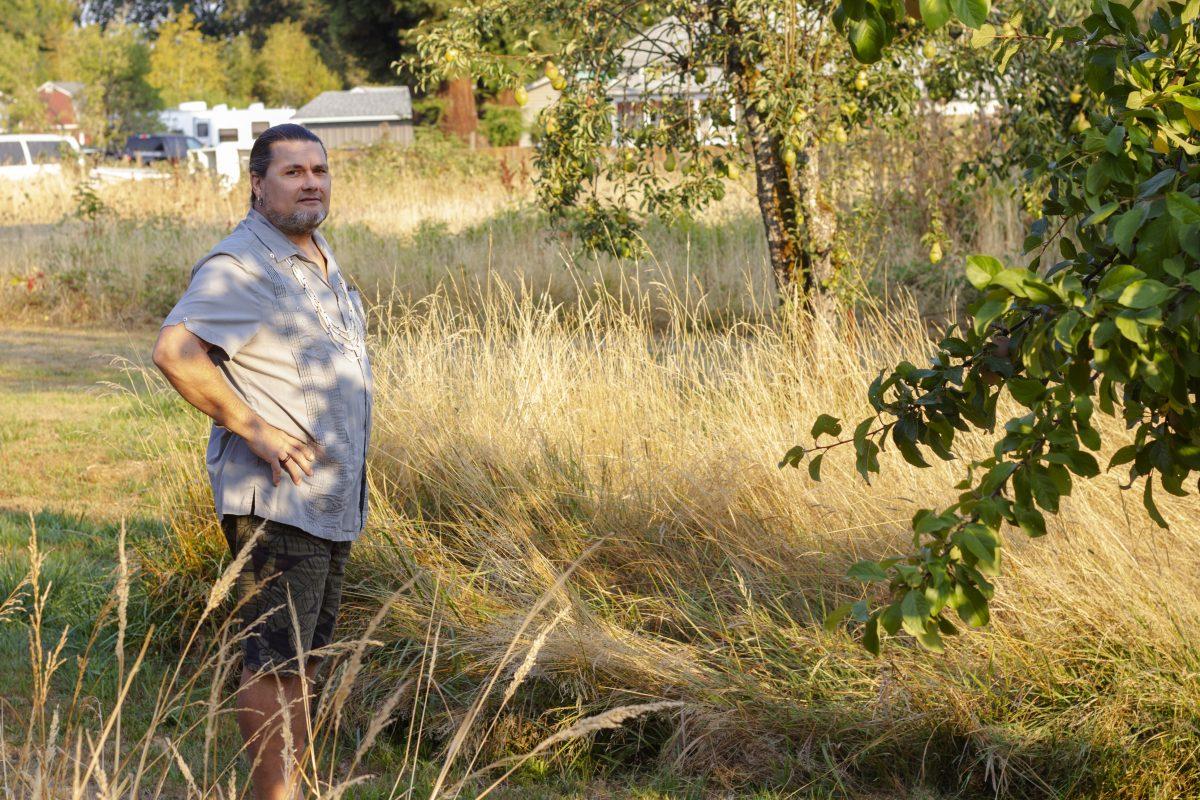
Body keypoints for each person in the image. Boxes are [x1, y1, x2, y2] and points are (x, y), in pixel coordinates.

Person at [152, 123, 372, 800]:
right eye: (292, 172)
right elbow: (175, 351)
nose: (310, 181)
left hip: (328, 499)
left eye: (319, 170)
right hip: (278, 498)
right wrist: (256, 429)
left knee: (302, 661)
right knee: (275, 661)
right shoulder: (239, 264)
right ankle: (275, 795)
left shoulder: (316, 256)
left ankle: (289, 788)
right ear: (256, 183)